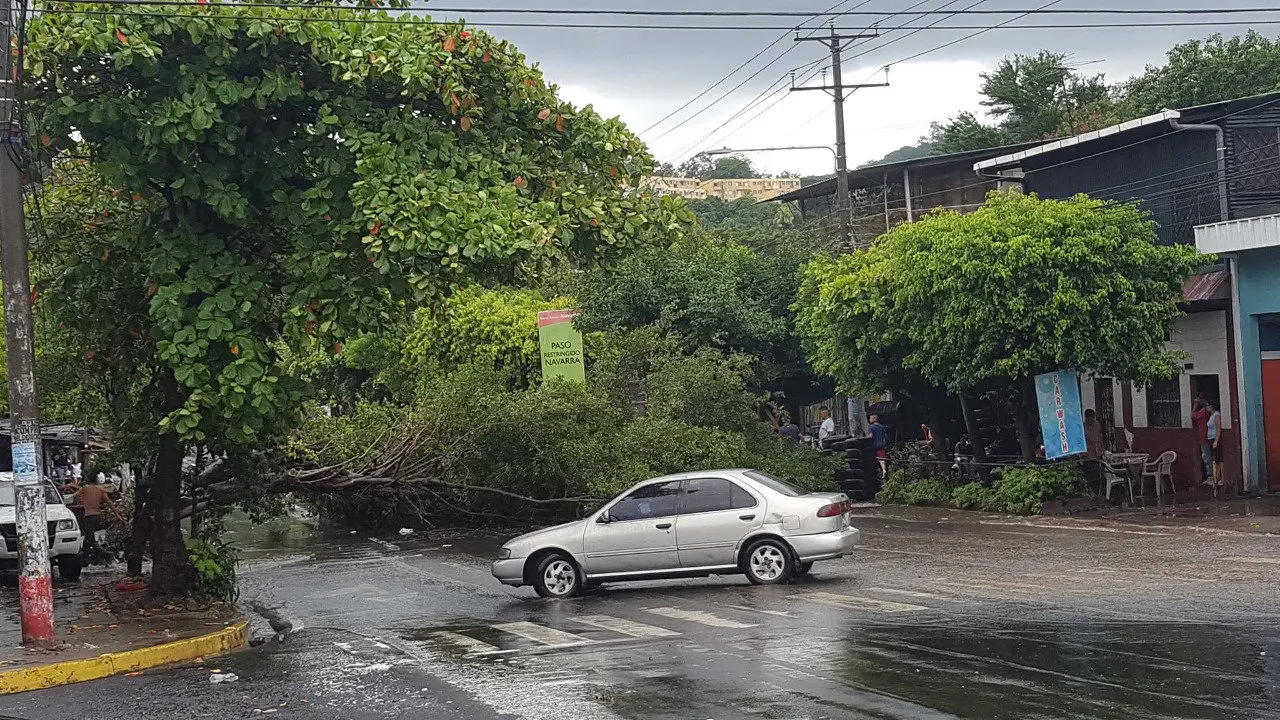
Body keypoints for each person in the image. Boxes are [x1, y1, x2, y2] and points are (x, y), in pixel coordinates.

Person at [73, 473, 113, 558]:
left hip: (88, 516)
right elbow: (109, 502)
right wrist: (117, 514)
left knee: (90, 539)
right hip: (97, 516)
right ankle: (86, 556)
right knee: (87, 537)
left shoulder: (85, 488)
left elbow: (75, 496)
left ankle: (107, 555)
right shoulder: (100, 490)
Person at [1191, 397, 1212, 485]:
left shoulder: (1203, 411)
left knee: (1206, 456)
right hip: (1206, 437)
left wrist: (1195, 407)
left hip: (1205, 437)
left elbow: (1193, 416)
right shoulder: (1206, 411)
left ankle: (1210, 475)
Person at [1206, 400, 1224, 496]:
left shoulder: (1216, 415)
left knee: (1219, 459)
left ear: (1211, 406)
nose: (1206, 408)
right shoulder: (1211, 416)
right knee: (1215, 459)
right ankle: (1216, 477)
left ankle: (1222, 478)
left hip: (1214, 439)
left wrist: (1216, 441)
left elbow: (1218, 429)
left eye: (1207, 406)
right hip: (1210, 439)